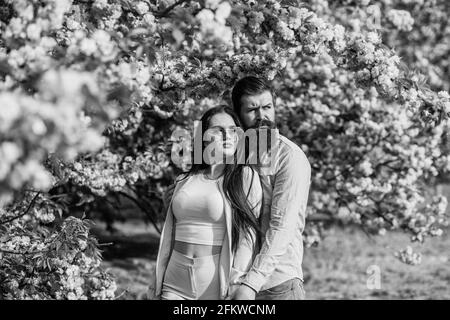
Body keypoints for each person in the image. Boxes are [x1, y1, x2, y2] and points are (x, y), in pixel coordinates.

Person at [147, 105, 263, 300]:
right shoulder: (184, 179)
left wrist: (237, 281)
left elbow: (248, 236)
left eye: (232, 130)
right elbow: (171, 229)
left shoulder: (244, 176)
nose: (227, 135)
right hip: (174, 279)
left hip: (214, 282)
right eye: (218, 130)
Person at [230, 76, 312, 300]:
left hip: (277, 285)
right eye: (252, 109)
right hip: (233, 282)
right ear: (237, 115)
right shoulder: (234, 155)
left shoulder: (289, 157)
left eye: (267, 107)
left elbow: (281, 227)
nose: (261, 116)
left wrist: (251, 284)